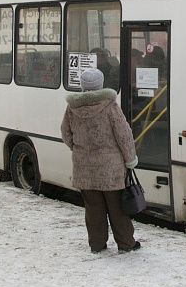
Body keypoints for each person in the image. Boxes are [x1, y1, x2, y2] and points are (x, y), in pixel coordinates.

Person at [60, 67, 140, 254]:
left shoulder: (72, 107)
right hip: (110, 169)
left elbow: (65, 133)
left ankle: (97, 245)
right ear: (100, 84)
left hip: (84, 168)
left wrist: (78, 149)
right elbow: (124, 135)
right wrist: (130, 160)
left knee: (93, 209)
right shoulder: (110, 106)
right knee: (117, 209)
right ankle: (126, 243)